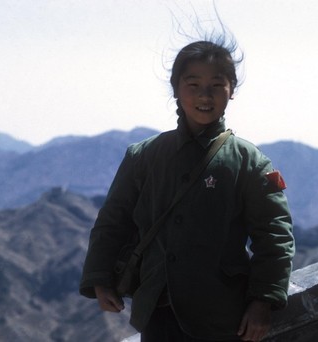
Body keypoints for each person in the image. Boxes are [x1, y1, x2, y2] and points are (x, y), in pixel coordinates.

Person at [80, 37, 295, 342]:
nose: (204, 96)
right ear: (176, 89)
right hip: (158, 310)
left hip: (223, 316)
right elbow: (113, 221)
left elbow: (274, 236)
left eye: (216, 85)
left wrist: (263, 300)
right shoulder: (144, 156)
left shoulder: (250, 162)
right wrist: (99, 279)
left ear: (231, 90)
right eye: (193, 84)